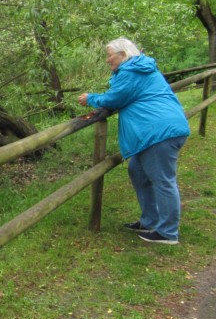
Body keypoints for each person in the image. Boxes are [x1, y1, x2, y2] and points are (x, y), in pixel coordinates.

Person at [77, 37, 190, 245]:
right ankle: (150, 221)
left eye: (109, 55)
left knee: (163, 180)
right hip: (160, 129)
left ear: (123, 54)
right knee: (137, 170)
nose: (107, 59)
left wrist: (90, 98)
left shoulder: (130, 71)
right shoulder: (138, 68)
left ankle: (167, 232)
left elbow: (115, 98)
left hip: (159, 131)